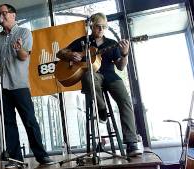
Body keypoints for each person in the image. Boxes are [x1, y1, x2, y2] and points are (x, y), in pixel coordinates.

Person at [56, 12, 142, 157]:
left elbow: (120, 67)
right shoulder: (83, 41)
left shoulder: (111, 43)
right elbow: (60, 53)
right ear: (92, 26)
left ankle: (131, 143)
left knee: (125, 100)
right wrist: (71, 55)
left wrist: (125, 54)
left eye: (103, 27)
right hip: (92, 75)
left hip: (110, 75)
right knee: (89, 76)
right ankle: (101, 109)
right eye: (98, 26)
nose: (101, 29)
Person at [0, 3, 54, 168]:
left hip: (19, 85)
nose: (0, 17)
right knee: (8, 124)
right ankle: (15, 158)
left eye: (3, 13)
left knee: (29, 121)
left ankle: (42, 156)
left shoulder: (24, 32)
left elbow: (24, 56)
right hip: (1, 86)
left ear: (13, 15)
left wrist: (19, 49)